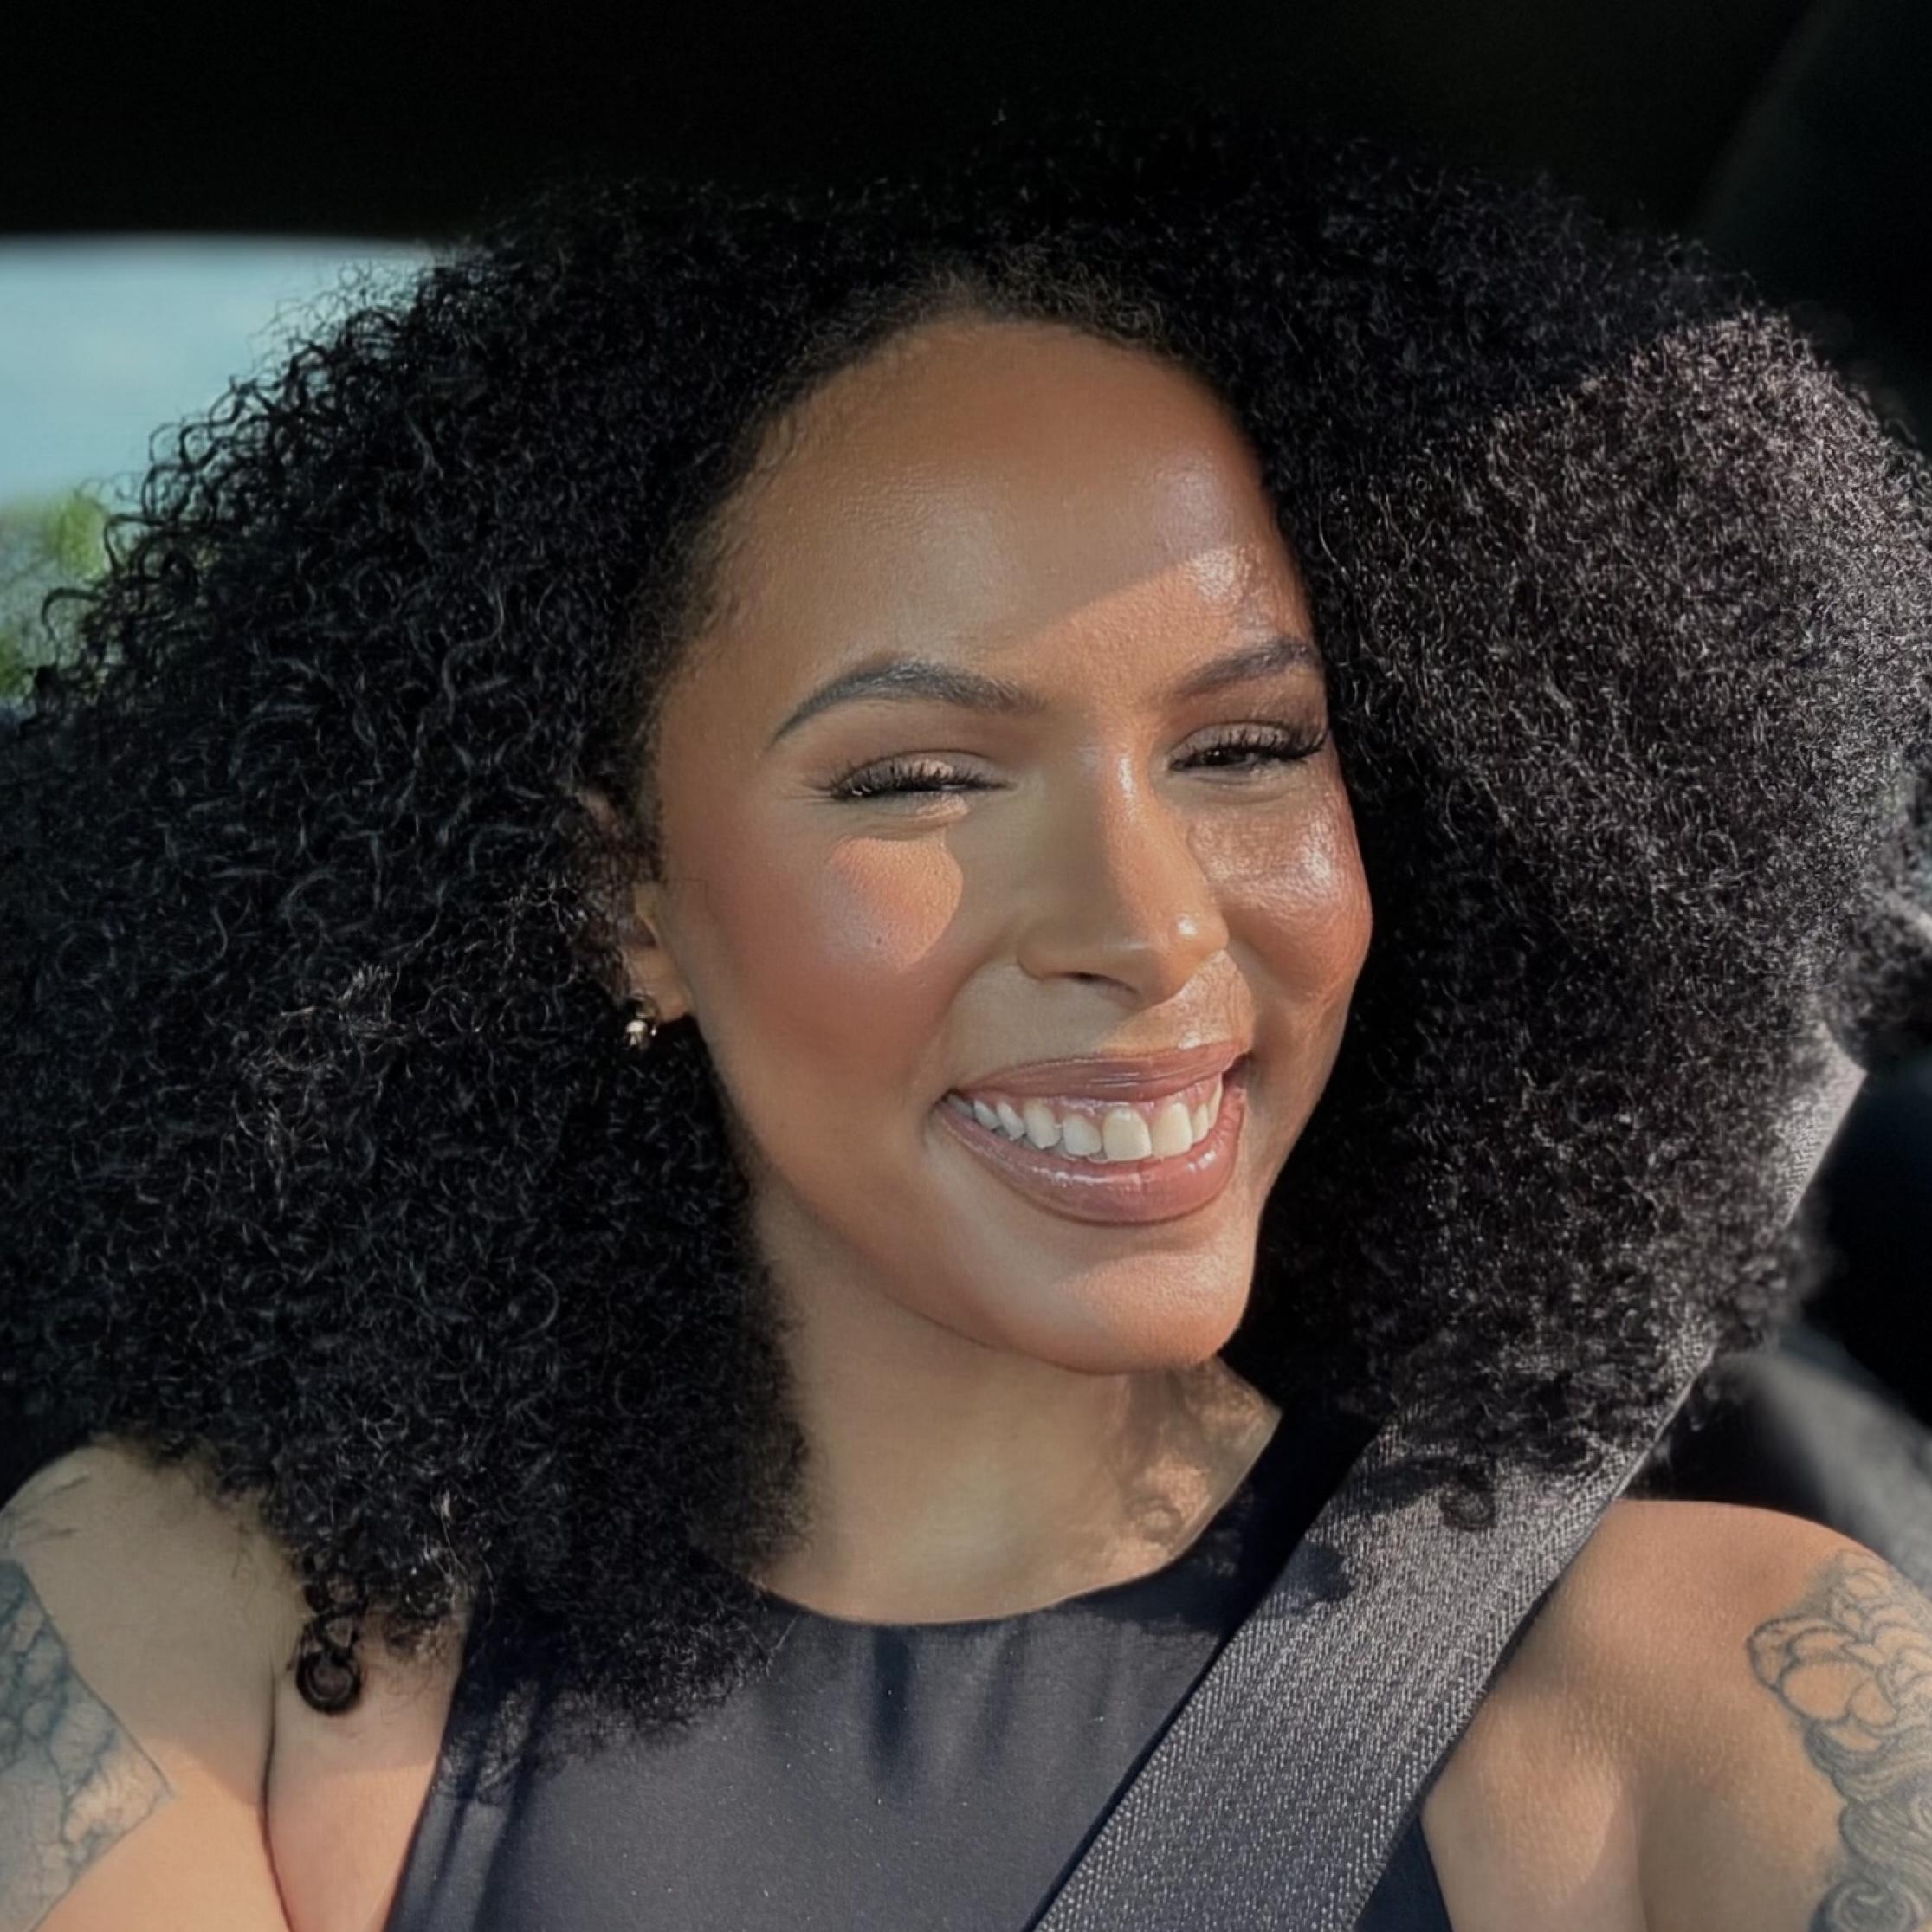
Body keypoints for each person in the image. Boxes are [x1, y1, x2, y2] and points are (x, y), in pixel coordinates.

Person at [3, 101, 1930, 1931]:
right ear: (625, 903)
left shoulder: (1732, 1700)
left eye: (1249, 747)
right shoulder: (194, 1642)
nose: (1149, 927)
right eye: (919, 778)